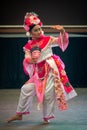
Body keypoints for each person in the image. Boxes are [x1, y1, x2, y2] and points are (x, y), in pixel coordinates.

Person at [7, 12, 77, 124]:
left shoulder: (48, 39)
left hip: (50, 70)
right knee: (26, 89)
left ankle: (46, 117)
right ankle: (19, 114)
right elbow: (27, 58)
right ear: (29, 32)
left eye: (39, 29)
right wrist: (31, 60)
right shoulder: (28, 46)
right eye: (35, 30)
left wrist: (62, 31)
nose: (39, 31)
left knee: (48, 94)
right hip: (38, 72)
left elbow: (61, 42)